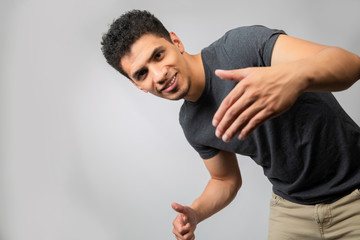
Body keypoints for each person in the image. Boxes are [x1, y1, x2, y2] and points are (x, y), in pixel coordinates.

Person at [101, 10, 360, 240]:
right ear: (137, 86)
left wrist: (293, 78)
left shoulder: (240, 47)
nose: (158, 75)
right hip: (292, 210)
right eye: (142, 74)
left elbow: (351, 65)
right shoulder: (191, 122)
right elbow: (225, 179)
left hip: (354, 195)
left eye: (158, 55)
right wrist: (195, 213)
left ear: (176, 42)